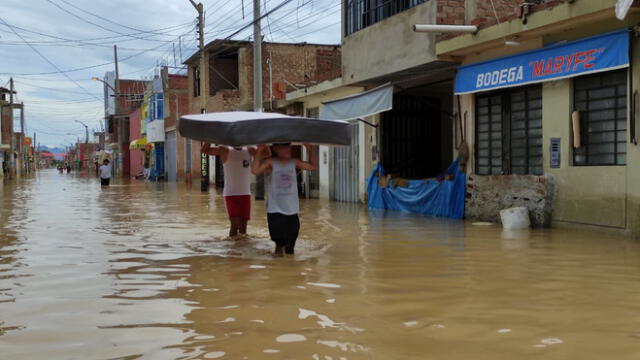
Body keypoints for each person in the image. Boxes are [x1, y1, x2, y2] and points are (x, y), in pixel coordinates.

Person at [252, 143, 317, 256]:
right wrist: (258, 151)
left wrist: (310, 150)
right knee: (278, 242)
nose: (288, 149)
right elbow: (255, 170)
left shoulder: (294, 162)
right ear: (276, 149)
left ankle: (289, 267)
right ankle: (277, 265)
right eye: (284, 147)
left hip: (292, 208)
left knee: (292, 240)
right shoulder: (271, 162)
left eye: (288, 147)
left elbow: (313, 166)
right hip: (275, 208)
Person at [201, 143, 257, 238]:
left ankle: (241, 249)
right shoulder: (225, 149)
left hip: (246, 194)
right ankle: (232, 251)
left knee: (243, 228)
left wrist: (262, 144)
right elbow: (204, 151)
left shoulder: (250, 149)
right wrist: (209, 138)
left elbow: (267, 154)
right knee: (234, 224)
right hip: (231, 194)